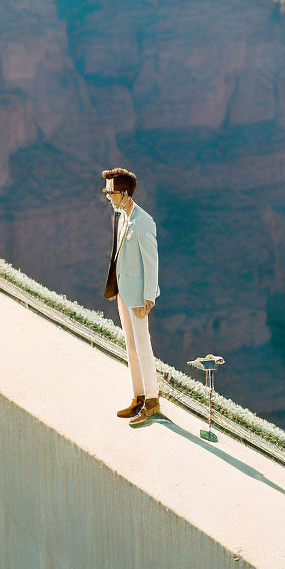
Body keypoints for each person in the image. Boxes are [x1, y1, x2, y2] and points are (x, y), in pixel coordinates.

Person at [101, 167, 161, 427]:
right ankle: (138, 396)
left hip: (138, 295)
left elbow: (152, 261)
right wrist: (115, 287)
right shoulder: (122, 216)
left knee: (143, 348)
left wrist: (149, 296)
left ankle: (152, 401)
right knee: (131, 346)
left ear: (124, 194)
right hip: (124, 292)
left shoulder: (143, 221)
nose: (107, 196)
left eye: (110, 192)